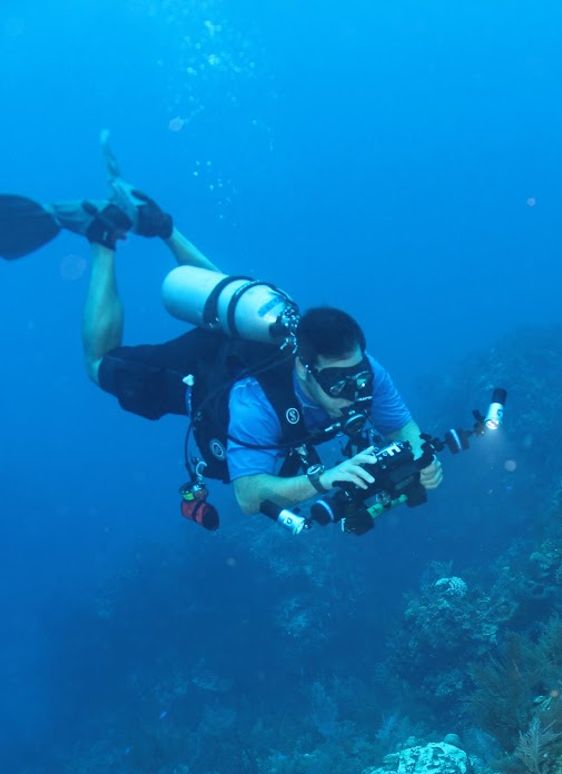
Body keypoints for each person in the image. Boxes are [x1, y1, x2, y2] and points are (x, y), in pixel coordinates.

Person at [0, 152, 442, 522]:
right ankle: (102, 238)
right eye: (340, 385)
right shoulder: (256, 403)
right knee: (98, 365)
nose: (356, 395)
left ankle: (162, 225)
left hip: (249, 336)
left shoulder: (361, 370)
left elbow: (405, 429)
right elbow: (249, 496)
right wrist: (323, 480)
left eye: (360, 377)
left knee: (230, 301)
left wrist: (424, 462)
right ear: (305, 369)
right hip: (203, 374)